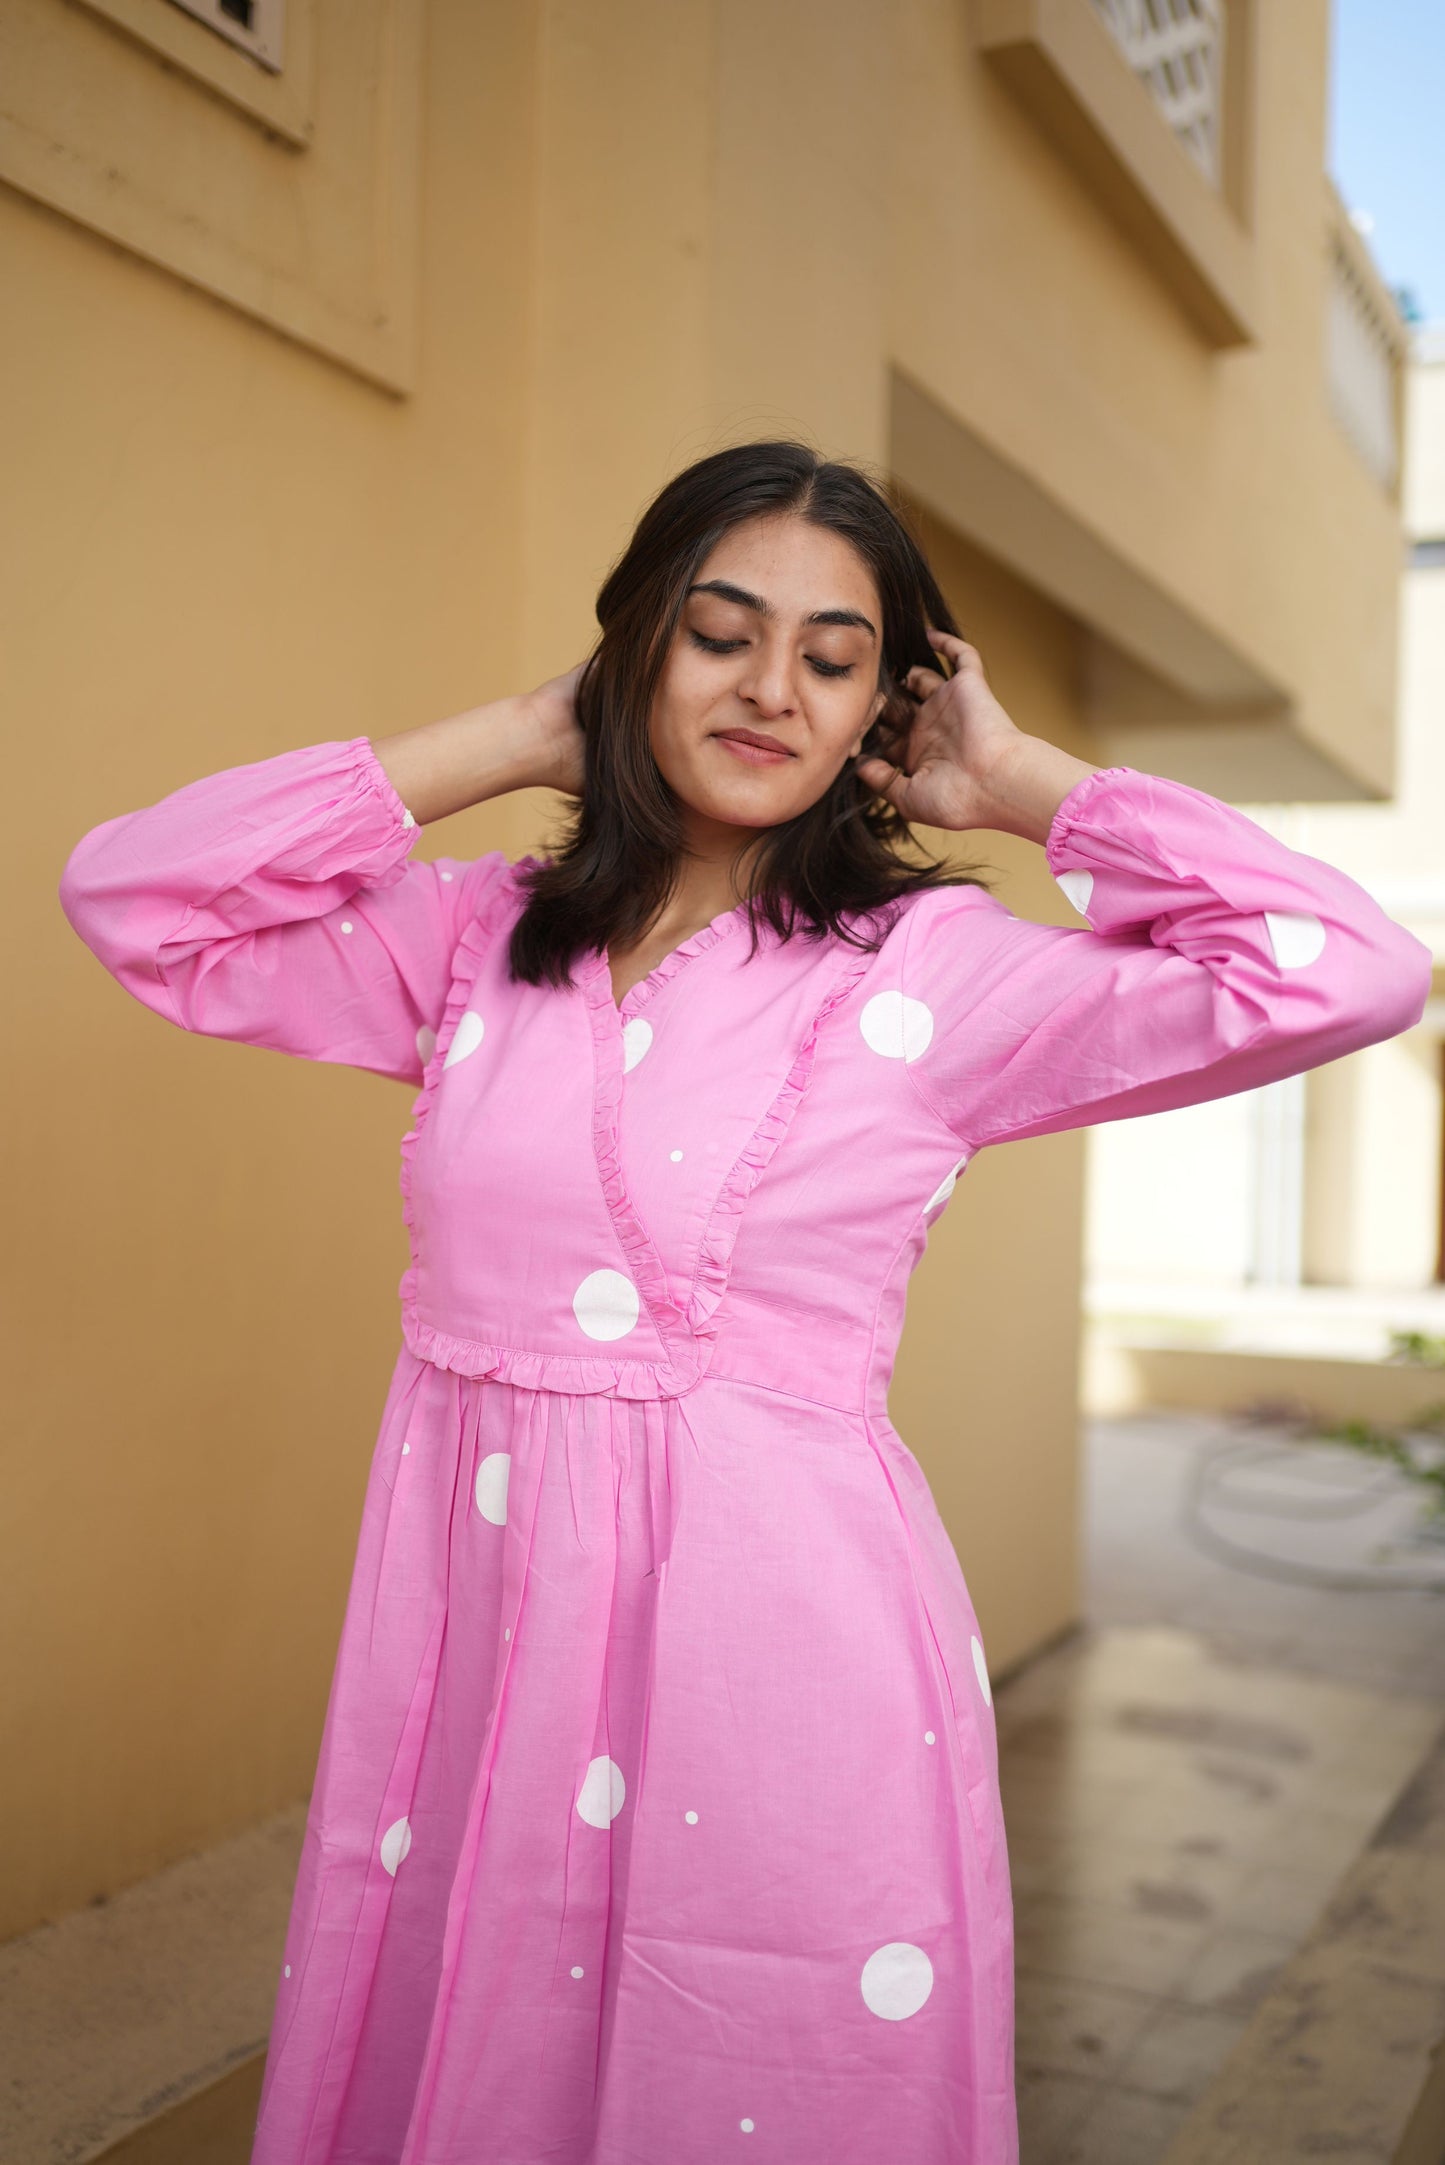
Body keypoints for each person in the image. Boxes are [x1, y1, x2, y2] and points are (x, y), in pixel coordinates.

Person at [58, 441, 1431, 2165]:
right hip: (484, 1645)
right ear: (635, 646)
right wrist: (512, 736)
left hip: (779, 1663)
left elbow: (1350, 967)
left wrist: (1020, 783)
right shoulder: (478, 944)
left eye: (833, 656)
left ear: (880, 706)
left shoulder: (933, 978)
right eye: (717, 633)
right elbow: (138, 900)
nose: (772, 687)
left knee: (744, 2077)